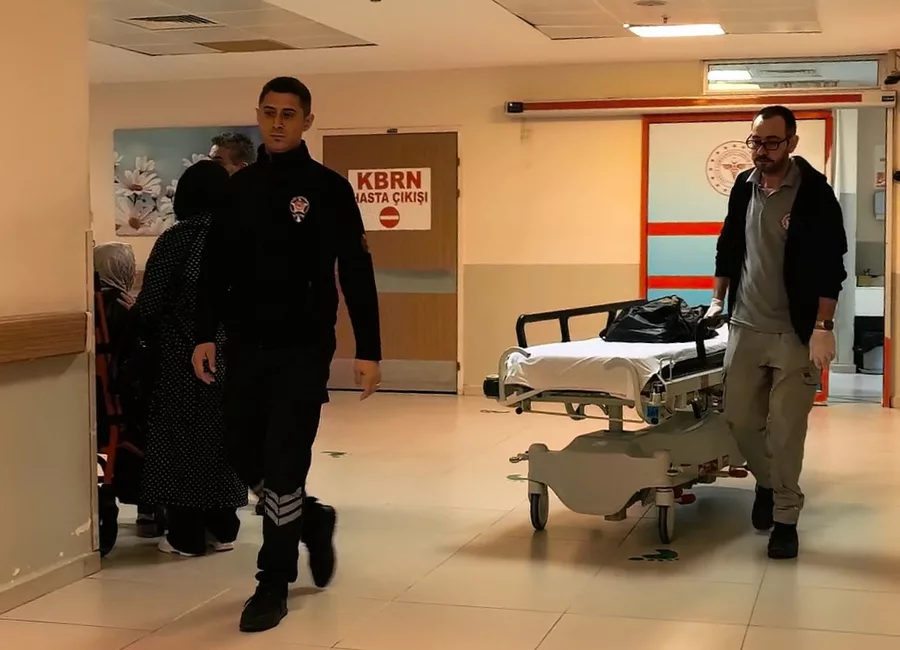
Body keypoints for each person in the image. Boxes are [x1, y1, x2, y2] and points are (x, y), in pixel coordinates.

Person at [192, 76, 382, 633]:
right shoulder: (240, 188)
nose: (278, 123)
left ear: (307, 122)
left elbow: (356, 271)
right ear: (258, 115)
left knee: (284, 462)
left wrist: (369, 348)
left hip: (303, 348)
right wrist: (204, 333)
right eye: (270, 112)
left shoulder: (327, 189)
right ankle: (311, 519)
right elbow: (215, 268)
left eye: (289, 114)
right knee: (239, 450)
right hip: (245, 344)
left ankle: (272, 582)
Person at [706, 105, 847, 560]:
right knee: (738, 420)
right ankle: (767, 482)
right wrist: (717, 299)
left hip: (795, 333)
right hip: (746, 326)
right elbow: (729, 245)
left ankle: (785, 517)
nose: (762, 151)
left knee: (785, 432)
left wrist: (823, 327)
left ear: (792, 143)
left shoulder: (815, 194)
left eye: (771, 142)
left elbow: (831, 266)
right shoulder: (743, 187)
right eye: (756, 142)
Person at [136, 160, 248, 557]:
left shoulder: (177, 240)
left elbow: (150, 304)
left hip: (182, 358)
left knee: (181, 443)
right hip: (235, 357)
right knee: (225, 438)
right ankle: (224, 528)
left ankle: (185, 535)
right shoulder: (240, 237)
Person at [94, 242, 161, 545]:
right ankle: (150, 510)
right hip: (127, 410)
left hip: (95, 409)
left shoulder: (91, 310)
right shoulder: (127, 311)